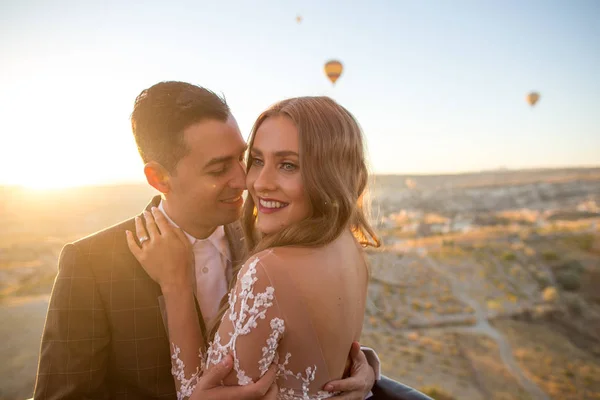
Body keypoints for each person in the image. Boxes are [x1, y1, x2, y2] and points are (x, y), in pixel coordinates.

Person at [33, 82, 378, 400]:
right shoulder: (92, 265)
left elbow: (296, 342)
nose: (247, 181)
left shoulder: (271, 239)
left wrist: (359, 366)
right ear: (159, 178)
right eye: (218, 169)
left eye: (243, 159)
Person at [127, 96, 380, 399]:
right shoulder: (350, 246)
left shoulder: (268, 267)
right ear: (160, 178)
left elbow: (198, 393)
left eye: (288, 165)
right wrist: (364, 368)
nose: (256, 183)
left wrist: (176, 285)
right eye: (257, 161)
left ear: (331, 172)